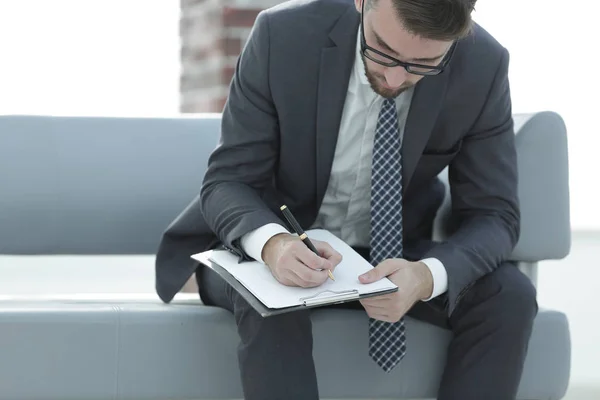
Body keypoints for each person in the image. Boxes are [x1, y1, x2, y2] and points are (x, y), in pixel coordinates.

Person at [155, 0, 538, 399]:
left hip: (394, 255)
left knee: (509, 294)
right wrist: (274, 245)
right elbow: (227, 182)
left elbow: (495, 215)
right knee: (269, 297)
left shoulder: (483, 64)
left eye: (423, 65)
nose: (394, 77)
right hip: (272, 246)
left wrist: (425, 276)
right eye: (382, 50)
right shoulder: (282, 36)